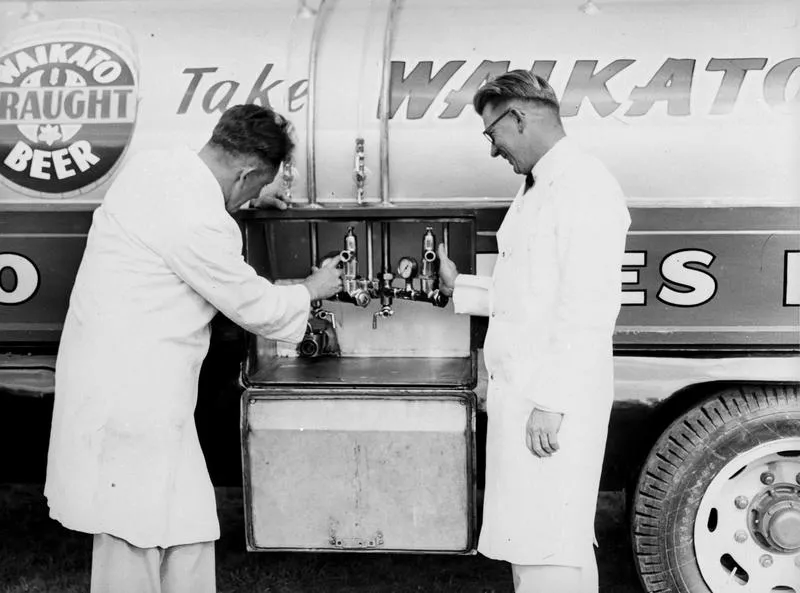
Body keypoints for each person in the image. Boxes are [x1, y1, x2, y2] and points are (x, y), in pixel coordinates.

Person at [44, 104, 343, 593]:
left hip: (125, 382)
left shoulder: (153, 167)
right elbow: (255, 305)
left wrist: (238, 204)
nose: (250, 201)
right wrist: (314, 286)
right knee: (133, 533)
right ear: (247, 172)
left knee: (186, 522)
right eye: (255, 189)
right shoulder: (201, 220)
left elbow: (194, 219)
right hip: (134, 397)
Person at [437, 71, 631, 593]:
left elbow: (588, 308)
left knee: (551, 544)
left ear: (518, 118)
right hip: (528, 397)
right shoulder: (539, 187)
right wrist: (464, 288)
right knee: (533, 541)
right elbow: (531, 292)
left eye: (491, 134)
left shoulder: (583, 187)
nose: (493, 149)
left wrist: (551, 401)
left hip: (551, 403)